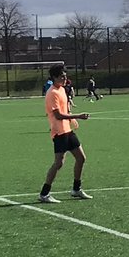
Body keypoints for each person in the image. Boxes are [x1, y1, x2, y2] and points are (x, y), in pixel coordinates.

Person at [39, 63, 92, 203]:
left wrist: (73, 119)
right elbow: (58, 115)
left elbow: (65, 111)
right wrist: (78, 116)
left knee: (81, 158)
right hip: (59, 132)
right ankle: (44, 194)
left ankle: (76, 189)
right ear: (54, 77)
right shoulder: (52, 93)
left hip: (67, 130)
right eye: (62, 76)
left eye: (65, 76)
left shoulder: (62, 89)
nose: (64, 78)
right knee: (59, 163)